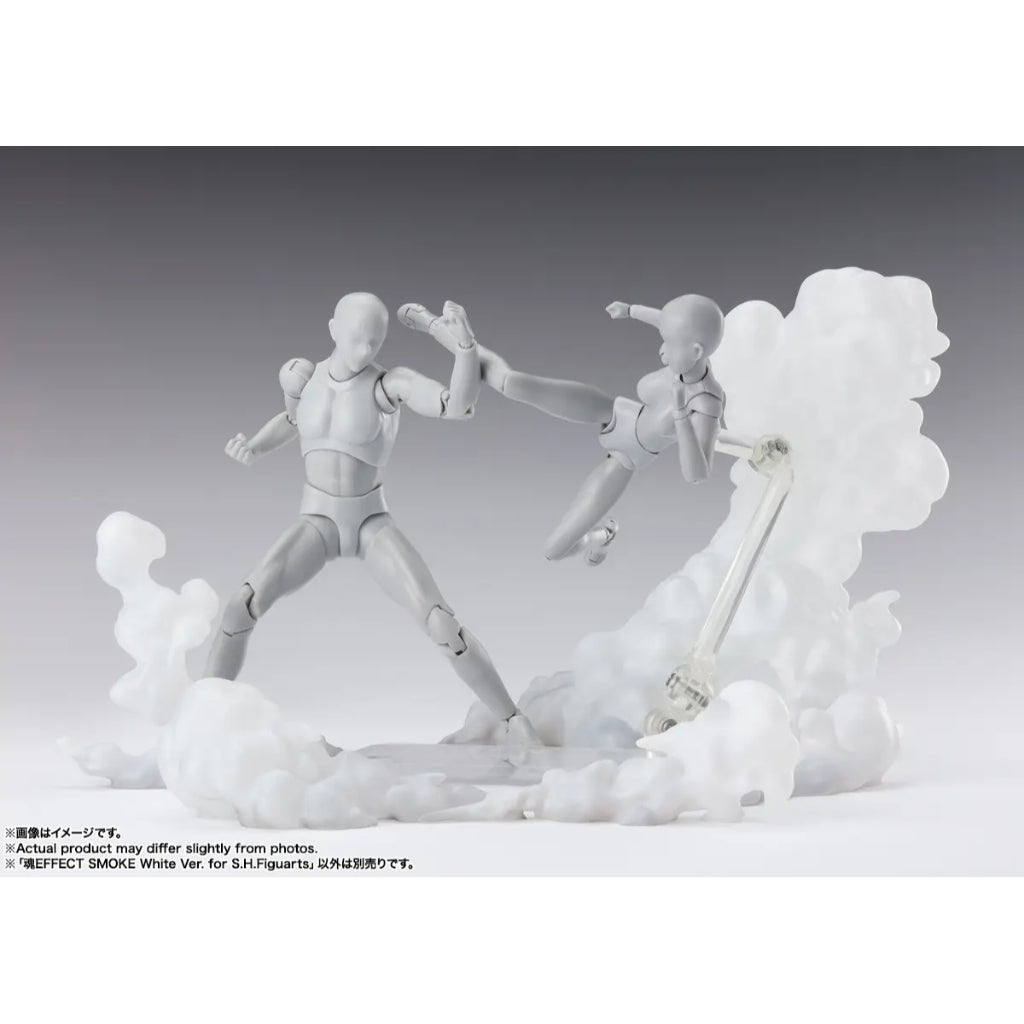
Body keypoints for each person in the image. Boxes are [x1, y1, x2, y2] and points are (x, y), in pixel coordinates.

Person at [205, 292, 540, 745]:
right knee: (240, 605)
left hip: (369, 522)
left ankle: (513, 720)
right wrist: (255, 447)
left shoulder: (389, 384)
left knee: (442, 623)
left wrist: (465, 349)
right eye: (356, 338)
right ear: (333, 330)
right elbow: (292, 419)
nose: (366, 350)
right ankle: (200, 718)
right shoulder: (303, 377)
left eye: (375, 341)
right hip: (317, 521)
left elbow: (456, 406)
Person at [399, 294, 726, 565]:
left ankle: (601, 537)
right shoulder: (687, 350)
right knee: (512, 383)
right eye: (664, 340)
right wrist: (630, 311)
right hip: (615, 411)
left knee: (555, 550)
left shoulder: (706, 403)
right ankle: (443, 329)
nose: (661, 351)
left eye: (669, 344)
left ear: (696, 351)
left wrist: (681, 416)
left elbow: (697, 474)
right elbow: (665, 320)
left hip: (625, 458)